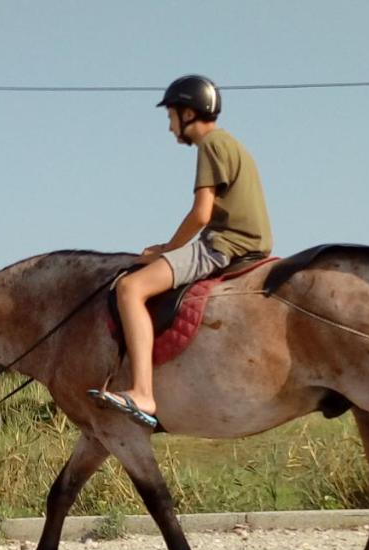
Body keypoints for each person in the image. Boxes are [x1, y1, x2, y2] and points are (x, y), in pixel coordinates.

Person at [89, 74, 273, 428]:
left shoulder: (211, 145)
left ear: (188, 113)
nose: (170, 125)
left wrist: (166, 250)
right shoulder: (231, 144)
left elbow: (202, 214)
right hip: (245, 240)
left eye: (171, 115)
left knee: (130, 289)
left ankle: (142, 391)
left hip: (225, 244)